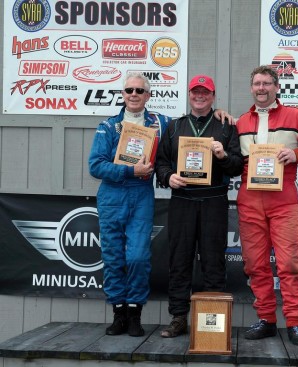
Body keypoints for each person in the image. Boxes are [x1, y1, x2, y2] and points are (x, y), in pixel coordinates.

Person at [89, 72, 232, 337]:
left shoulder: (162, 123)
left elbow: (193, 122)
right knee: (113, 258)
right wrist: (131, 172)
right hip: (112, 195)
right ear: (122, 94)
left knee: (138, 257)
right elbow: (95, 166)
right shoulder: (108, 126)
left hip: (142, 194)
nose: (134, 95)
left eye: (139, 91)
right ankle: (119, 312)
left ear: (148, 95)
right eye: (129, 90)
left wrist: (218, 113)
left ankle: (134, 312)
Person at [236, 65, 298, 346]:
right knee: (255, 264)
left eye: (266, 83)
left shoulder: (295, 116)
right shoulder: (241, 121)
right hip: (249, 200)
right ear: (251, 88)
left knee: (289, 263)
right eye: (256, 84)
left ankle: (295, 323)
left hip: (283, 200)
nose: (261, 88)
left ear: (277, 87)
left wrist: (297, 153)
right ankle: (266, 319)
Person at [155, 75, 244, 338]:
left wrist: (223, 156)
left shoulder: (226, 126)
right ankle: (179, 317)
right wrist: (167, 177)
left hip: (214, 200)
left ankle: (212, 322)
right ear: (189, 94)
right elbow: (161, 163)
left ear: (213, 96)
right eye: (196, 91)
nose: (200, 96)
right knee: (179, 260)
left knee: (213, 261)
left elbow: (238, 165)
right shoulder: (174, 126)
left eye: (205, 92)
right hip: (182, 201)